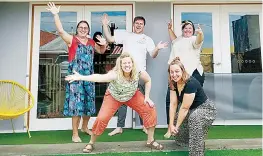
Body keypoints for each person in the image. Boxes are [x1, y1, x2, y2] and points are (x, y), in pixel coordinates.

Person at [65, 53, 164, 153]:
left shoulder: (138, 72)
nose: (127, 65)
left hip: (132, 95)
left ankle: (150, 141)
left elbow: (148, 80)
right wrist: (81, 77)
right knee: (102, 118)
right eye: (124, 63)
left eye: (129, 63)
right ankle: (91, 143)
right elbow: (99, 77)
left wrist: (147, 97)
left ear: (132, 64)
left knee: (150, 108)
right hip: (114, 97)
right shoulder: (115, 74)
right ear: (120, 65)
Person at [46, 2, 107, 143]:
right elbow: (61, 31)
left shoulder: (92, 42)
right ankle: (75, 133)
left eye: (86, 28)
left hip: (89, 78)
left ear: (88, 30)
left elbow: (102, 51)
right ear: (77, 29)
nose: (83, 30)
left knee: (89, 104)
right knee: (76, 107)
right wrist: (55, 14)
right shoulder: (71, 40)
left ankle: (85, 127)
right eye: (81, 28)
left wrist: (103, 44)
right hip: (75, 79)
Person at [102, 13, 168, 136]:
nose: (138, 25)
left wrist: (157, 48)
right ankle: (119, 127)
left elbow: (153, 55)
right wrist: (105, 25)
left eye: (141, 24)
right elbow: (110, 39)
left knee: (142, 101)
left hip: (139, 74)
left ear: (144, 26)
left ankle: (144, 125)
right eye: (136, 23)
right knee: (122, 100)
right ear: (133, 25)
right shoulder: (126, 35)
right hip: (125, 74)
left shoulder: (147, 39)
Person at [168, 57, 216, 156]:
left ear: (182, 70)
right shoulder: (173, 82)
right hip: (191, 109)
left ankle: (196, 153)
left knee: (194, 118)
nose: (174, 74)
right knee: (177, 118)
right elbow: (173, 104)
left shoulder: (191, 83)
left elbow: (184, 108)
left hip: (205, 109)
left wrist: (176, 127)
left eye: (177, 71)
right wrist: (171, 125)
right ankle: (184, 142)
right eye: (171, 72)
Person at [164, 20, 205, 138]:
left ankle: (193, 129)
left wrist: (200, 33)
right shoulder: (178, 40)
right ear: (182, 30)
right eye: (185, 28)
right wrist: (169, 28)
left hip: (193, 74)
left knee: (191, 104)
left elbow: (199, 40)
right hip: (177, 75)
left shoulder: (194, 39)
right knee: (170, 101)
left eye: (190, 28)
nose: (187, 30)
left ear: (193, 30)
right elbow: (174, 39)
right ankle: (170, 127)